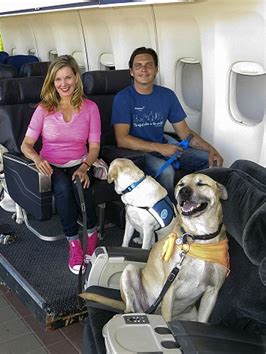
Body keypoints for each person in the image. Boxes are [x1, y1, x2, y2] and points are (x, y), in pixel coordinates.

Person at [21, 55, 101, 274]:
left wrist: (85, 167)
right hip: (52, 164)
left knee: (80, 185)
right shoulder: (43, 109)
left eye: (68, 77)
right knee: (64, 190)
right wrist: (37, 159)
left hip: (80, 163)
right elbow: (26, 145)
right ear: (52, 82)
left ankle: (92, 235)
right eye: (58, 79)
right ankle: (74, 243)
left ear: (76, 78)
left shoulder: (91, 108)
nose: (64, 84)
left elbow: (94, 147)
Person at [112, 47, 223, 199]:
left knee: (206, 161)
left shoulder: (167, 95)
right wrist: (160, 148)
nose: (144, 69)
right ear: (131, 71)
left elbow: (185, 133)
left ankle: (195, 203)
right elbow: (122, 139)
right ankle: (170, 213)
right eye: (138, 65)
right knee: (166, 172)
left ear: (156, 69)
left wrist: (211, 150)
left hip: (164, 147)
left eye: (149, 65)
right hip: (137, 153)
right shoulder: (123, 98)